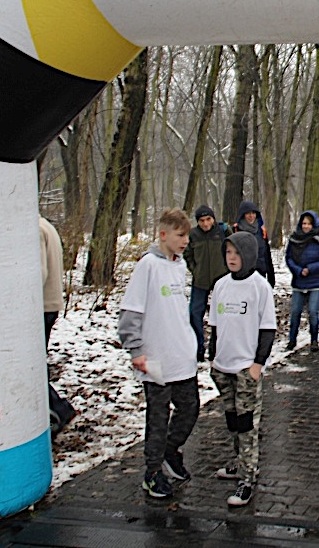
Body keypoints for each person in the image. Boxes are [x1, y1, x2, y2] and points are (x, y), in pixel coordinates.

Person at [118, 208, 200, 500]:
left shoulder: (180, 266)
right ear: (163, 234)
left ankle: (170, 451)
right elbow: (130, 311)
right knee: (158, 417)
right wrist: (135, 349)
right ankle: (152, 473)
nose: (185, 241)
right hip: (154, 359)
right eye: (180, 235)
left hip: (182, 356)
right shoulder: (147, 265)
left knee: (190, 408)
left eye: (187, 236)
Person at [208, 232, 276, 507]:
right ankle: (238, 462)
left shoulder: (260, 287)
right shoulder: (221, 285)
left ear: (248, 255)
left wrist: (257, 364)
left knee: (247, 424)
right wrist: (212, 358)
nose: (232, 258)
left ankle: (248, 477)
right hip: (222, 367)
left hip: (246, 368)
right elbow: (215, 325)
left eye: (237, 253)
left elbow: (268, 329)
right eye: (228, 253)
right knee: (233, 421)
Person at [40, 216, 75, 434]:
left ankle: (57, 409)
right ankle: (56, 408)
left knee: (31, 366)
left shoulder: (35, 230)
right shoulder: (46, 226)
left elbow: (39, 273)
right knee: (35, 362)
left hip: (41, 306)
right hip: (50, 303)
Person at [184, 204, 229, 361]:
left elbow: (232, 249)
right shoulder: (193, 235)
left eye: (208, 219)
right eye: (201, 220)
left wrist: (227, 270)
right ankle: (198, 348)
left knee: (221, 314)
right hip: (200, 280)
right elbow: (187, 255)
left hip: (221, 280)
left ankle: (216, 348)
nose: (205, 223)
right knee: (194, 314)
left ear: (213, 219)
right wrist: (195, 270)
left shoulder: (223, 231)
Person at [284, 211, 319, 352]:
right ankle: (292, 340)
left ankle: (314, 340)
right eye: (304, 223)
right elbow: (288, 258)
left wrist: (310, 269)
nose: (306, 226)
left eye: (309, 224)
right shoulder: (294, 238)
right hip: (299, 280)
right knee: (295, 312)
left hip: (316, 280)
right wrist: (298, 270)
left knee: (312, 311)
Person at [233, 200, 276, 287]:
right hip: (242, 274)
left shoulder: (262, 231)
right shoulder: (235, 230)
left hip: (260, 273)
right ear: (242, 214)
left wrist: (271, 275)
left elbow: (266, 255)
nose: (251, 216)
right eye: (248, 213)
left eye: (253, 213)